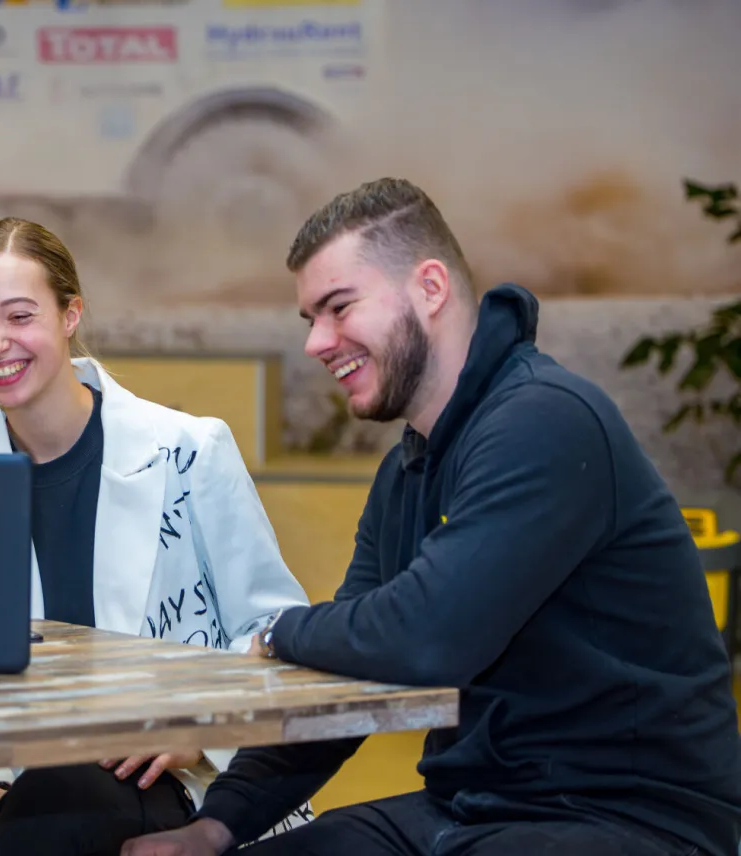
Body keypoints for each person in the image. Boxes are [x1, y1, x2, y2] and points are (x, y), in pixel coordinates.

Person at [122, 177, 741, 856]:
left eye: (339, 307)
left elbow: (427, 637)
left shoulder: (545, 421)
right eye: (310, 320)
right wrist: (218, 827)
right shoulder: (406, 470)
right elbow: (347, 680)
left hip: (627, 820)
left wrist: (276, 632)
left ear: (430, 288)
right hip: (471, 807)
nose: (316, 343)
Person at [0, 216, 316, 856]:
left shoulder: (188, 451)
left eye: (19, 316)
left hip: (183, 781)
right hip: (34, 799)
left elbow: (281, 627)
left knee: (60, 815)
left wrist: (203, 728)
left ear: (70, 314)